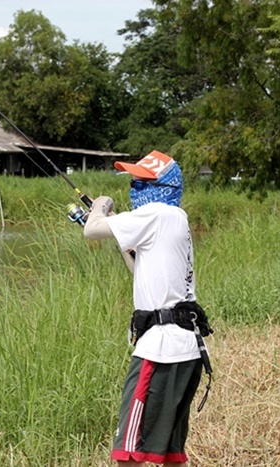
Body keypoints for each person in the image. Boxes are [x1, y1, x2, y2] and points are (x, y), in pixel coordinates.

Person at [83, 150, 212, 466]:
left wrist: (100, 205)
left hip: (159, 352)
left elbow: (90, 229)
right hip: (186, 351)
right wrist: (121, 238)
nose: (135, 188)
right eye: (134, 181)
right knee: (170, 453)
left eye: (142, 182)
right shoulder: (173, 219)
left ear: (164, 187)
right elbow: (140, 268)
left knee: (128, 453)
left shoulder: (156, 214)